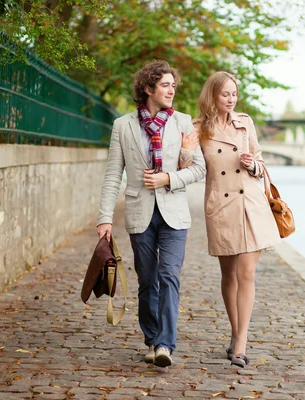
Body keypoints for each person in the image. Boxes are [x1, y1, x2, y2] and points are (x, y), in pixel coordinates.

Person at [96, 61, 205, 368]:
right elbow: (112, 174)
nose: (172, 90)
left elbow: (199, 169)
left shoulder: (183, 123)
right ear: (148, 88)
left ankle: (165, 345)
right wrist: (104, 217)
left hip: (174, 213)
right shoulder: (123, 126)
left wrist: (168, 178)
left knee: (169, 275)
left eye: (174, 85)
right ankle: (151, 339)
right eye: (166, 85)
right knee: (147, 279)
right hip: (139, 210)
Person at [181, 71, 281, 367]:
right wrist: (186, 150)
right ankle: (236, 332)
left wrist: (254, 165)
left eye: (234, 94)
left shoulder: (245, 123)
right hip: (221, 207)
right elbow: (187, 167)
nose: (230, 99)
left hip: (251, 205)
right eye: (225, 94)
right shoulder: (198, 129)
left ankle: (240, 342)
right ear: (212, 95)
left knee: (247, 273)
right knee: (229, 275)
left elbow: (261, 160)